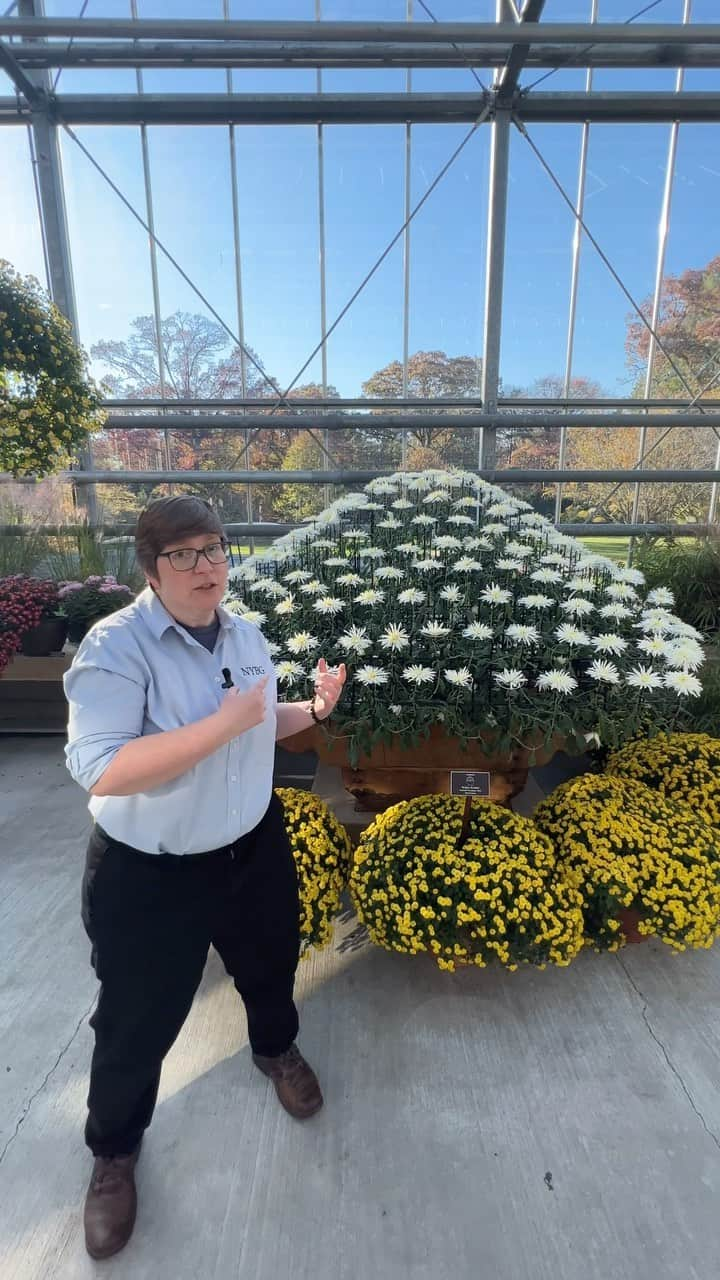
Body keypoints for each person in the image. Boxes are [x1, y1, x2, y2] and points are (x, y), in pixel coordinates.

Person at [63, 495, 346, 1261]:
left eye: (215, 549)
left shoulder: (245, 633)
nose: (206, 567)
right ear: (151, 569)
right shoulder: (116, 647)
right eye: (184, 555)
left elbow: (256, 718)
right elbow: (102, 766)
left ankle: (274, 1048)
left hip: (249, 847)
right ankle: (115, 1151)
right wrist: (215, 728)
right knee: (135, 1015)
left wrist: (313, 710)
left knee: (269, 964)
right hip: (150, 872)